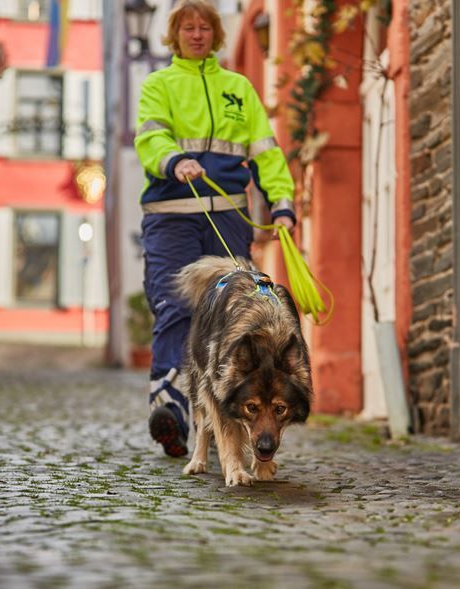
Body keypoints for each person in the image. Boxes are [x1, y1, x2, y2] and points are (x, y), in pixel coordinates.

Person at [134, 0, 296, 457]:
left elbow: (266, 151)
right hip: (171, 214)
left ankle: (224, 416)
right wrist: (173, 160)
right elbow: (149, 137)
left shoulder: (239, 89)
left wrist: (282, 205)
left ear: (216, 35)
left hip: (226, 216)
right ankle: (171, 411)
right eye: (188, 27)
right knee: (174, 308)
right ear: (175, 34)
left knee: (230, 318)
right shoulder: (159, 85)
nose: (197, 33)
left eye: (205, 26)